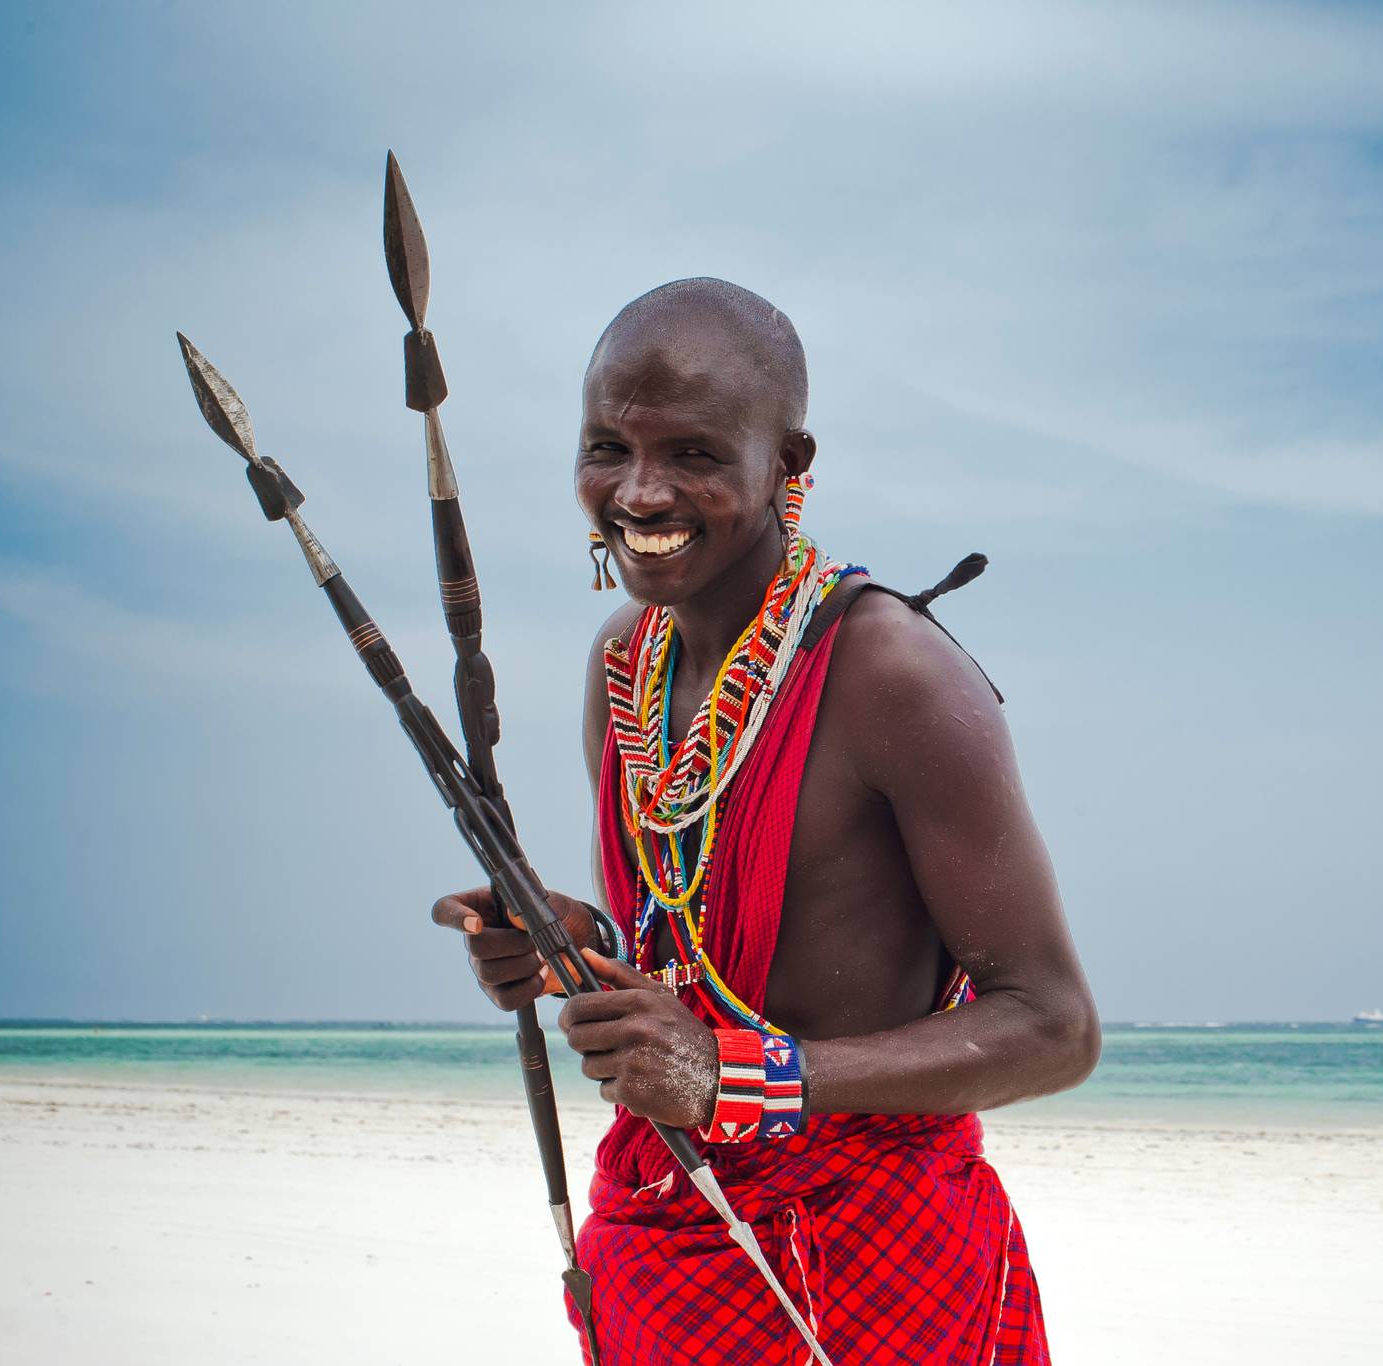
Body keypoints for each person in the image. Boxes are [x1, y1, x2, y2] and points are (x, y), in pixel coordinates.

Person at [430, 278, 1100, 1365]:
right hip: (667, 1245)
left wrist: (743, 1078)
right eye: (608, 447)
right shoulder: (624, 662)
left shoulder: (890, 673)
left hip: (869, 1266)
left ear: (788, 464)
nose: (639, 494)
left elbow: (1053, 1025)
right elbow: (687, 947)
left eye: (693, 454)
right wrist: (570, 948)